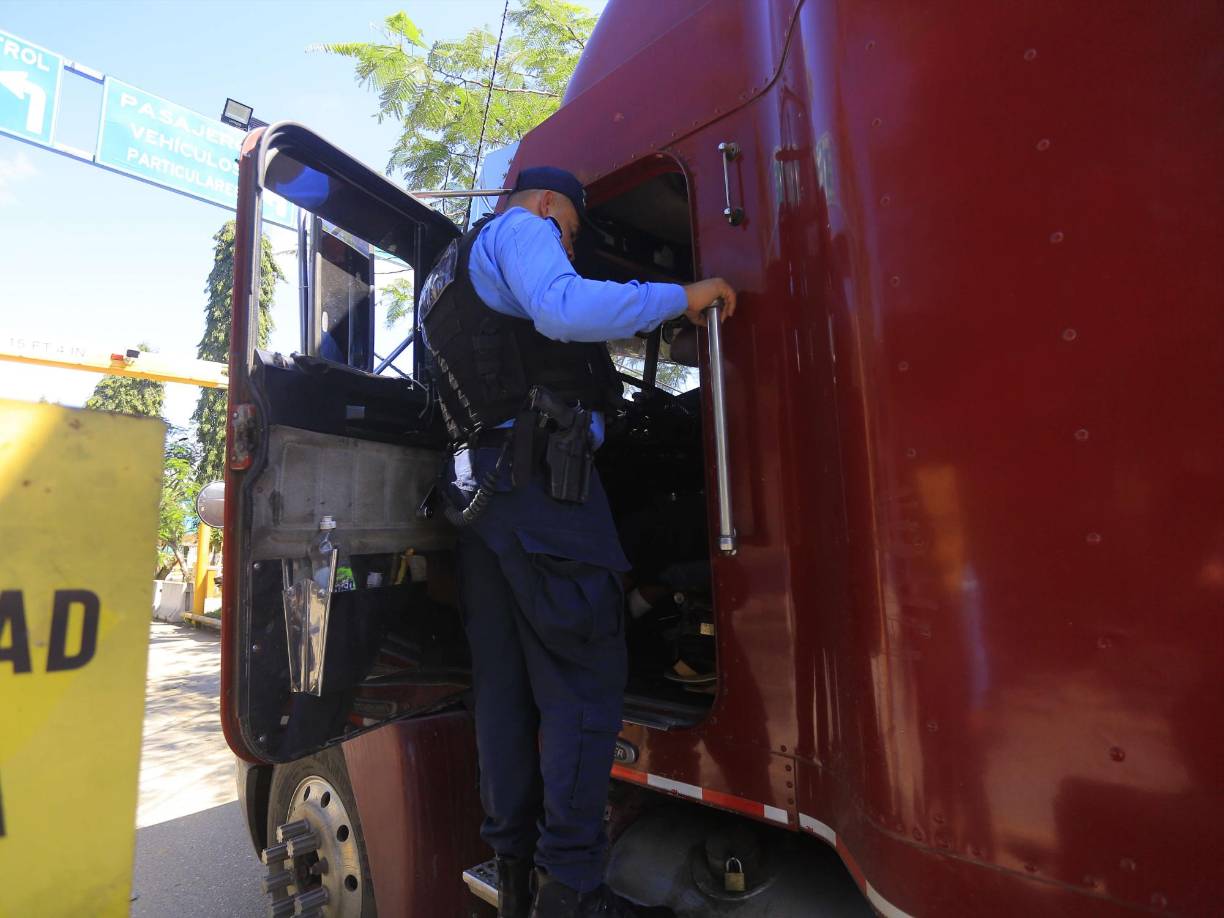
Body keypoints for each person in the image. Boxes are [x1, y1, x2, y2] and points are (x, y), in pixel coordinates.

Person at [418, 166, 737, 918]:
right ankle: (574, 889)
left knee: (504, 692)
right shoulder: (523, 228)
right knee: (584, 681)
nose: (561, 246)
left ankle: (517, 871)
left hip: (481, 499)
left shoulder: (441, 280)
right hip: (539, 490)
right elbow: (560, 307)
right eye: (569, 235)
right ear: (550, 206)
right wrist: (687, 296)